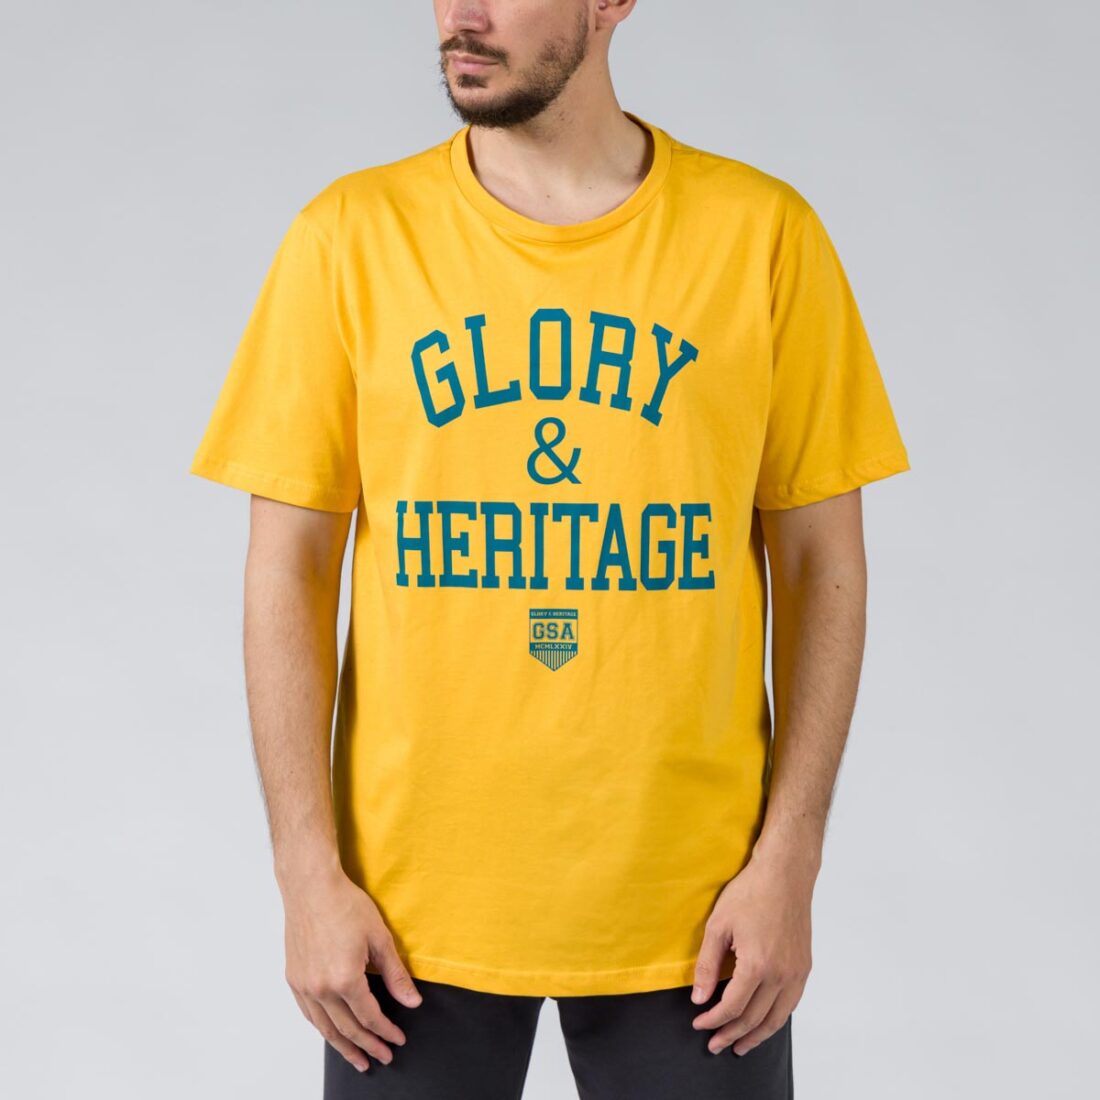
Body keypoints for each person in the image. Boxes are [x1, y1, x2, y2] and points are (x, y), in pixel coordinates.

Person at [188, 2, 911, 1096]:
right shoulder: (350, 237)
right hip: (402, 921)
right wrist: (305, 875)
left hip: (700, 917)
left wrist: (789, 860)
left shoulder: (761, 236)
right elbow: (288, 569)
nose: (461, 15)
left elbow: (824, 566)